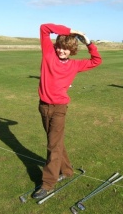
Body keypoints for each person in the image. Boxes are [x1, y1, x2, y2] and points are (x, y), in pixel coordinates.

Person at [32, 23, 102, 199]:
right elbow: (44, 28)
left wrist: (88, 42)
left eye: (66, 49)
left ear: (72, 50)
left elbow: (96, 60)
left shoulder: (75, 65)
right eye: (60, 47)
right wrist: (71, 31)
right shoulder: (48, 54)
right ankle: (67, 170)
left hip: (59, 109)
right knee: (55, 141)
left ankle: (48, 184)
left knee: (53, 145)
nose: (62, 51)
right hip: (43, 106)